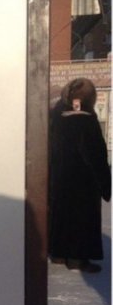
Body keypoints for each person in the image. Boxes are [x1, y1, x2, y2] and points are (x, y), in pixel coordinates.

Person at [49, 78, 111, 272]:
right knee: (81, 219)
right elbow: (95, 154)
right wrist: (105, 184)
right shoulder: (87, 119)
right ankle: (77, 258)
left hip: (59, 177)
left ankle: (59, 253)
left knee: (60, 215)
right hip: (83, 182)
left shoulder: (58, 116)